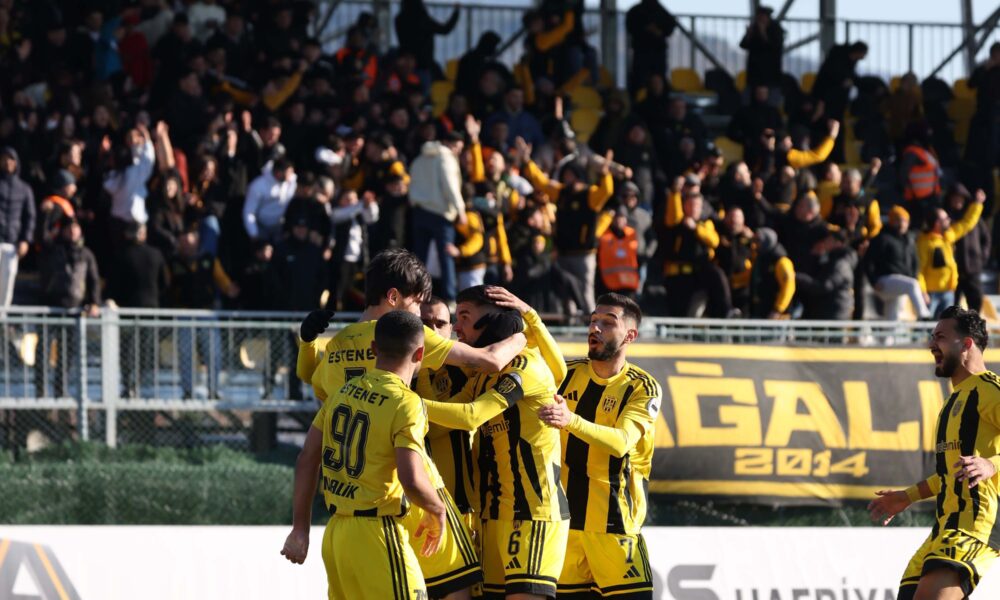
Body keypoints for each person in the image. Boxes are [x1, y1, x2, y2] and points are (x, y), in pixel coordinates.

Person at [296, 250, 532, 600]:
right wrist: (523, 333)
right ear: (393, 297)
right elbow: (490, 361)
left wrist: (306, 344)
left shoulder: (338, 346)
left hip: (348, 502)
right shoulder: (409, 335)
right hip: (404, 491)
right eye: (417, 303)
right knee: (458, 584)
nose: (420, 314)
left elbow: (312, 384)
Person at [281, 310, 447, 600]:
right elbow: (410, 479)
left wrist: (300, 529)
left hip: (336, 535)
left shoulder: (341, 393)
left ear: (373, 349)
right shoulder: (406, 403)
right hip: (378, 533)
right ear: (420, 354)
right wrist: (437, 508)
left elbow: (307, 458)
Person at [420, 285, 570, 600]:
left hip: (532, 512)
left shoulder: (526, 366)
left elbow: (471, 416)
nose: (457, 327)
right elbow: (441, 423)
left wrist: (406, 404)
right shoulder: (481, 376)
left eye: (464, 316)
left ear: (496, 320)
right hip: (493, 513)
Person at [868, 306, 1000, 600]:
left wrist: (992, 465)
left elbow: (983, 467)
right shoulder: (953, 401)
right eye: (932, 337)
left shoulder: (989, 390)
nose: (931, 345)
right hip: (944, 527)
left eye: (940, 337)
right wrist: (907, 496)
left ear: (966, 344)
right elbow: (952, 475)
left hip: (975, 524)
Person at [537, 293, 659, 599]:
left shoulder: (641, 386)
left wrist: (570, 420)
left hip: (615, 524)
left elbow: (622, 442)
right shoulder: (565, 374)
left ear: (630, 335)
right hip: (565, 524)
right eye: (593, 321)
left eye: (607, 322)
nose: (595, 328)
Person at [518, 138, 615, 315]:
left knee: (585, 292)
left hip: (584, 253)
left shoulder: (590, 195)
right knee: (565, 292)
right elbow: (542, 183)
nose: (568, 179)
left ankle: (590, 320)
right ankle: (570, 321)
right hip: (563, 251)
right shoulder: (561, 193)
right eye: (566, 175)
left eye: (571, 175)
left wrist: (605, 174)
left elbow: (607, 191)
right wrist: (527, 162)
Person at [409, 133, 466, 302]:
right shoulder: (445, 158)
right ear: (447, 143)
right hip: (441, 214)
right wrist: (460, 209)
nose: (457, 152)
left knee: (419, 260)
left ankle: (415, 296)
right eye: (457, 147)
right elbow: (450, 186)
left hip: (420, 211)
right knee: (446, 258)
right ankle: (450, 299)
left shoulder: (419, 159)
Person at [916, 189, 984, 318]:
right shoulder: (925, 243)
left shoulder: (947, 237)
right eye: (945, 219)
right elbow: (919, 270)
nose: (949, 220)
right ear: (937, 223)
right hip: (931, 293)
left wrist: (977, 204)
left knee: (945, 325)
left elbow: (966, 223)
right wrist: (923, 292)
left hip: (948, 291)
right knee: (927, 325)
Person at [865, 206, 931, 321]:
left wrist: (920, 286)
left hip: (901, 284)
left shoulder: (909, 240)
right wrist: (873, 281)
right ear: (892, 221)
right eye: (898, 220)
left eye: (905, 221)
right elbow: (868, 261)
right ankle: (924, 315)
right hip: (884, 281)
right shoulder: (882, 238)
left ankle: (889, 333)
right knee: (912, 284)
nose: (902, 224)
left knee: (892, 317)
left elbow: (915, 264)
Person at [947, 185, 992, 313]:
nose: (957, 201)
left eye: (960, 198)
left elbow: (986, 238)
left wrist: (982, 257)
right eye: (954, 198)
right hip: (953, 269)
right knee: (952, 306)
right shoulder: (946, 219)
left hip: (973, 267)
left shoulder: (974, 218)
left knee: (975, 301)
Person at [795, 229, 856, 320]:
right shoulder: (829, 259)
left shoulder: (840, 264)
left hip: (833, 315)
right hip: (826, 312)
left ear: (838, 243)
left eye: (829, 240)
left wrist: (796, 277)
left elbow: (823, 286)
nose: (825, 243)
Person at [0, 146, 35, 306]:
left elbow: (30, 217)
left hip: (12, 243)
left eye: (11, 159)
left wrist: (25, 240)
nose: (7, 162)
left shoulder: (24, 189)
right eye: (4, 159)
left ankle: (2, 317)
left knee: (6, 286)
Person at [624, 0, 676, 94]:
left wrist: (659, 31)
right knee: (640, 80)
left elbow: (670, 25)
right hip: (642, 51)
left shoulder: (660, 10)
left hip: (657, 52)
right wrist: (647, 29)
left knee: (658, 79)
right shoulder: (637, 11)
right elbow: (631, 26)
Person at [243, 156, 297, 243]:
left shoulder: (292, 181)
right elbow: (249, 212)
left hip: (280, 226)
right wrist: (253, 233)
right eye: (288, 173)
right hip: (261, 227)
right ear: (278, 173)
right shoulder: (258, 186)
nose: (291, 175)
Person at [748, 227, 795, 319]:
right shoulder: (761, 258)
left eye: (757, 241)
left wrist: (778, 309)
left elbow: (789, 286)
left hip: (777, 316)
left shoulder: (781, 262)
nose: (754, 244)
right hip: (761, 310)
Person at [739, 6, 783, 102]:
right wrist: (748, 34)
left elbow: (773, 46)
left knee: (771, 101)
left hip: (770, 74)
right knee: (750, 100)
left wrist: (763, 32)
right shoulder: (754, 29)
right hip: (754, 74)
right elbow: (743, 45)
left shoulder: (776, 29)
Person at [597, 207, 641, 297]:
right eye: (616, 218)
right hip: (608, 282)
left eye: (622, 217)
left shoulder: (632, 234)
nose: (619, 220)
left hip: (628, 283)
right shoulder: (603, 234)